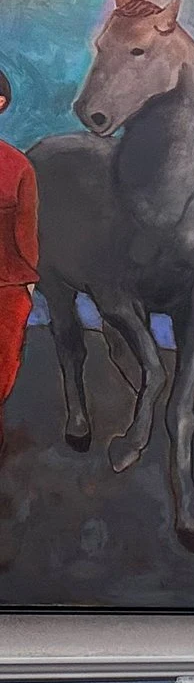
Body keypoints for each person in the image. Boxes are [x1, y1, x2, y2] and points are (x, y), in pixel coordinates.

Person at [0, 66, 35, 438]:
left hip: (7, 284)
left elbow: (27, 232)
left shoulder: (17, 165)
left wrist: (27, 282)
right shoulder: (18, 165)